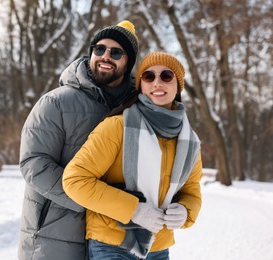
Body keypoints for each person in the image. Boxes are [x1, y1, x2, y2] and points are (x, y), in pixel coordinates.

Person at [63, 52, 203, 260]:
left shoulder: (189, 140)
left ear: (178, 85)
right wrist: (134, 210)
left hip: (158, 247)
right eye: (148, 76)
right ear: (141, 85)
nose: (157, 82)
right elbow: (74, 180)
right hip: (112, 244)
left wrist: (185, 211)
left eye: (166, 76)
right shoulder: (117, 127)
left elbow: (191, 191)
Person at [18, 20, 139, 260]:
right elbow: (34, 165)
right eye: (99, 49)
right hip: (54, 235)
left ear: (128, 62)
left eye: (116, 52)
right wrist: (96, 200)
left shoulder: (135, 110)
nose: (106, 56)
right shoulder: (56, 102)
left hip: (112, 239)